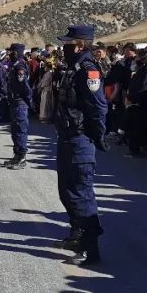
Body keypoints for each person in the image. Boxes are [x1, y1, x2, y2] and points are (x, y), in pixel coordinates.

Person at [54, 25, 108, 266]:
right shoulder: (73, 69)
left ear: (79, 45)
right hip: (66, 137)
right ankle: (77, 235)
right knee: (66, 190)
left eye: (68, 43)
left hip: (80, 139)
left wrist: (98, 136)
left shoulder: (88, 72)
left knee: (81, 194)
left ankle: (90, 249)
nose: (63, 47)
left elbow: (98, 108)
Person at [5, 42, 32, 169]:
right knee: (15, 130)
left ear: (17, 52)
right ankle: (16, 155)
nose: (10, 53)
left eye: (12, 51)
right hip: (14, 101)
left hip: (20, 102)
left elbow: (24, 87)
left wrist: (28, 100)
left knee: (20, 130)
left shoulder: (20, 65)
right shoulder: (14, 65)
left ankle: (22, 158)